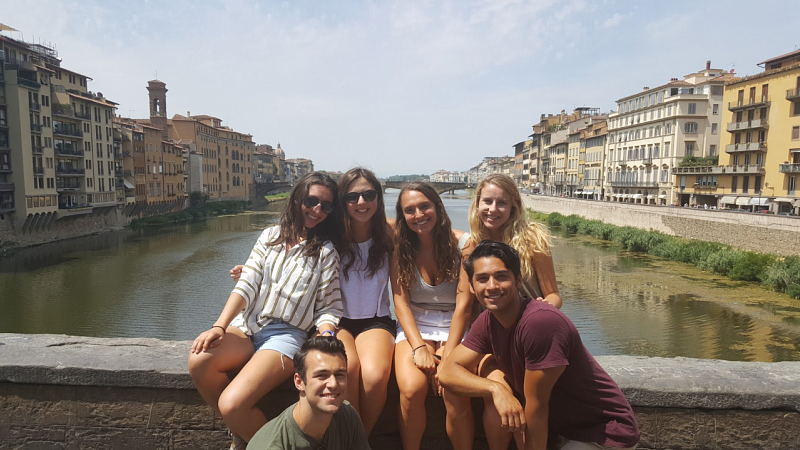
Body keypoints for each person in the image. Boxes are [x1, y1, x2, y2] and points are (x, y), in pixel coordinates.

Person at [232, 168, 396, 436]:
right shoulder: (331, 235)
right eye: (353, 196)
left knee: (376, 376)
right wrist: (252, 272)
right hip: (335, 320)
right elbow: (293, 262)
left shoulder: (388, 231)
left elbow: (432, 231)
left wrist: (467, 240)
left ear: (378, 197)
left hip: (375, 320)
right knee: (347, 367)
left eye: (369, 194)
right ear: (342, 203)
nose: (361, 202)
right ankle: (343, 438)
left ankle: (359, 438)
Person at [189, 172, 344, 449]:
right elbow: (247, 284)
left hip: (286, 335)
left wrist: (327, 335)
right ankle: (242, 431)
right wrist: (219, 326)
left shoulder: (326, 252)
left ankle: (257, 438)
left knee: (233, 403)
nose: (317, 210)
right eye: (311, 201)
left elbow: (329, 306)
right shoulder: (269, 236)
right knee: (199, 361)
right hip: (248, 326)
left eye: (326, 206)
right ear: (297, 199)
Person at [439, 241, 640, 450]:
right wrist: (495, 389)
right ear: (471, 287)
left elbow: (537, 407)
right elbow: (448, 373)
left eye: (501, 276)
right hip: (563, 432)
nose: (491, 286)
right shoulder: (488, 321)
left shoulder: (540, 323)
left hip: (603, 434)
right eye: (482, 279)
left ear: (518, 280)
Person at [391, 181, 473, 450]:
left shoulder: (464, 244)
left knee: (455, 390)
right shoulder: (399, 247)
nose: (418, 215)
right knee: (412, 389)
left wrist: (450, 349)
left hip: (457, 324)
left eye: (424, 206)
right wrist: (418, 347)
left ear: (437, 207)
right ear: (402, 216)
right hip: (416, 324)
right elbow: (400, 301)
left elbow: (464, 302)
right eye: (410, 210)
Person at [248, 336, 371, 450]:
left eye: (339, 375)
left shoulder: (347, 415)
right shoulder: (274, 444)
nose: (333, 384)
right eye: (322, 376)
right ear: (299, 382)